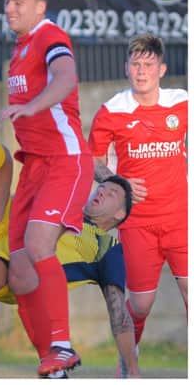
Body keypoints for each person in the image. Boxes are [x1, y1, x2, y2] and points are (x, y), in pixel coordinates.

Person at [0, 74, 139, 379]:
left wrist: (132, 370)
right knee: (1, 162)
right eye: (103, 187)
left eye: (113, 194)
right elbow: (77, 154)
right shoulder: (70, 196)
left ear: (120, 215)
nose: (103, 191)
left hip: (14, 272)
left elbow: (119, 312)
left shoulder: (106, 248)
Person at [0, 0, 92, 375]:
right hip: (34, 169)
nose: (9, 8)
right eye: (7, 0)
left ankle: (62, 343)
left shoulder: (50, 36)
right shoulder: (20, 48)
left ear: (39, 6)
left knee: (40, 243)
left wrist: (33, 105)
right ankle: (51, 360)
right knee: (21, 268)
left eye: (18, 1)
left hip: (66, 162)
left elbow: (66, 77)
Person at [88, 34, 187, 375]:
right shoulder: (112, 112)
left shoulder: (182, 103)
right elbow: (93, 162)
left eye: (148, 65)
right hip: (137, 225)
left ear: (162, 69)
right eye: (135, 64)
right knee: (141, 304)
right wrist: (119, 182)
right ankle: (129, 360)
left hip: (181, 219)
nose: (141, 71)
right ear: (126, 68)